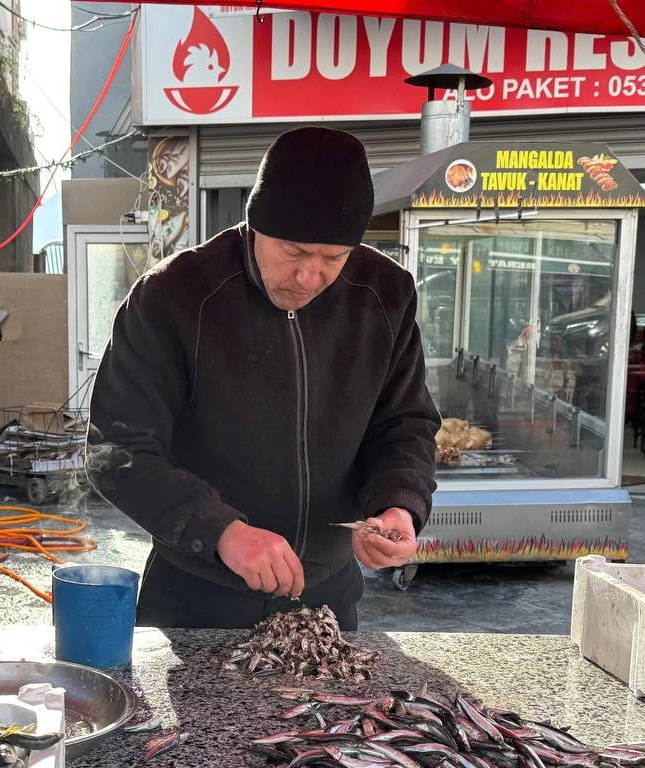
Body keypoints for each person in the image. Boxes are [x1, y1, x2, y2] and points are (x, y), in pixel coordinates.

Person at [86, 126, 439, 630]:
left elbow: (404, 423)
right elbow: (114, 450)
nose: (309, 277)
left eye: (333, 259)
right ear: (254, 225)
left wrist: (397, 504)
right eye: (293, 252)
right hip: (197, 591)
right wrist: (221, 531)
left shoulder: (385, 294)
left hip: (327, 593)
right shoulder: (173, 297)